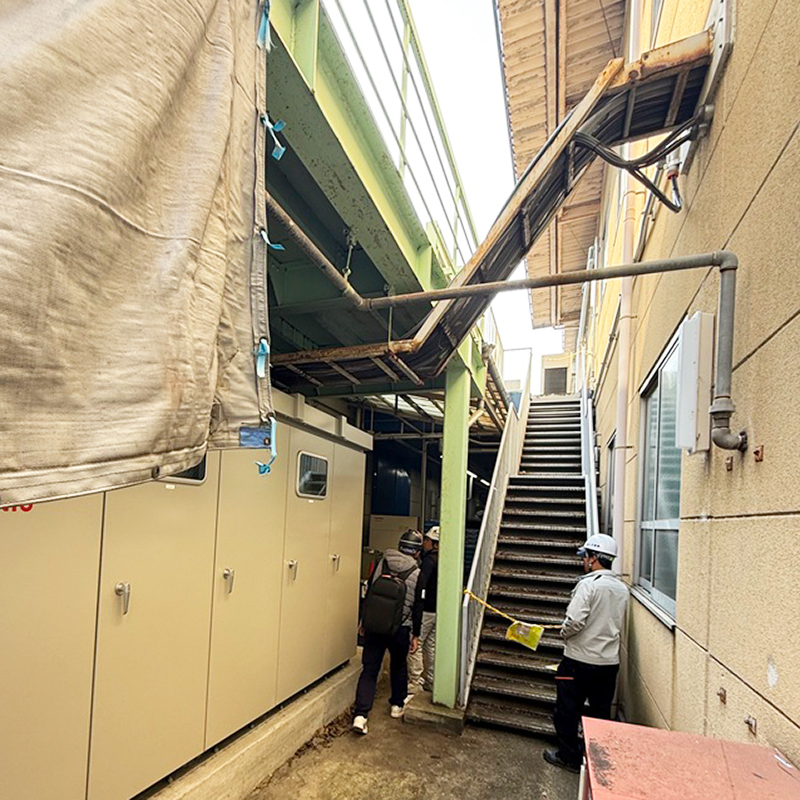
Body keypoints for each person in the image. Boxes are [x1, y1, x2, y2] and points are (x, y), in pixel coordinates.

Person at [543, 533, 629, 773]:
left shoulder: (588, 585)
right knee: (600, 713)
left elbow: (574, 621)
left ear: (594, 558)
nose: (584, 561)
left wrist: (564, 633)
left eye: (586, 556)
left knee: (567, 710)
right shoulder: (621, 589)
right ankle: (597, 761)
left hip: (577, 661)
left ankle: (568, 757)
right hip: (608, 663)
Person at [352, 529, 423, 735]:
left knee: (369, 670)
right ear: (417, 552)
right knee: (399, 666)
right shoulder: (416, 573)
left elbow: (370, 592)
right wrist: (415, 635)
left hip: (375, 626)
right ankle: (397, 705)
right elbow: (417, 606)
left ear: (400, 546)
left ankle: (360, 715)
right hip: (400, 628)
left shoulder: (382, 562)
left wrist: (364, 622)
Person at [407, 526, 439, 696]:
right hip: (437, 610)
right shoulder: (445, 560)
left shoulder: (429, 561)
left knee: (415, 644)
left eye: (427, 540)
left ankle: (415, 680)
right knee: (430, 646)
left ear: (435, 544)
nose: (424, 543)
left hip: (425, 610)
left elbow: (421, 585)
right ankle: (432, 681)